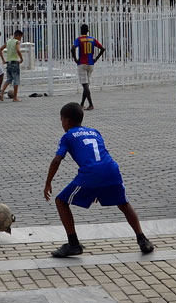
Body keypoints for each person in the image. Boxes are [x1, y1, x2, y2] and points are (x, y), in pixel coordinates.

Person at [43, 102, 155, 258]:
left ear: (66, 121)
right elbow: (102, 153)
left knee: (61, 201)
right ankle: (142, 239)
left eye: (61, 120)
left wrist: (48, 182)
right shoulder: (95, 132)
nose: (61, 123)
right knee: (124, 204)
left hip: (91, 174)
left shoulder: (67, 136)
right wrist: (98, 188)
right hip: (111, 170)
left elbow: (56, 160)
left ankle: (73, 244)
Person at [71, 24, 105, 111]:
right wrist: (96, 59)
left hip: (82, 63)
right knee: (86, 85)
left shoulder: (79, 39)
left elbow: (73, 48)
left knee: (85, 85)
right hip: (91, 64)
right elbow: (102, 48)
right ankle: (82, 104)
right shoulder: (92, 39)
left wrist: (75, 59)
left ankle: (91, 104)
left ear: (81, 31)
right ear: (88, 31)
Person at [0, 29, 23, 102]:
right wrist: (21, 58)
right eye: (20, 37)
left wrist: (3, 60)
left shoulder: (8, 41)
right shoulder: (17, 42)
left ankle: (1, 93)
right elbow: (18, 50)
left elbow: (0, 50)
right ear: (18, 36)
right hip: (15, 63)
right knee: (16, 80)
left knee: (8, 79)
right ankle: (15, 98)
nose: (20, 39)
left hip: (8, 63)